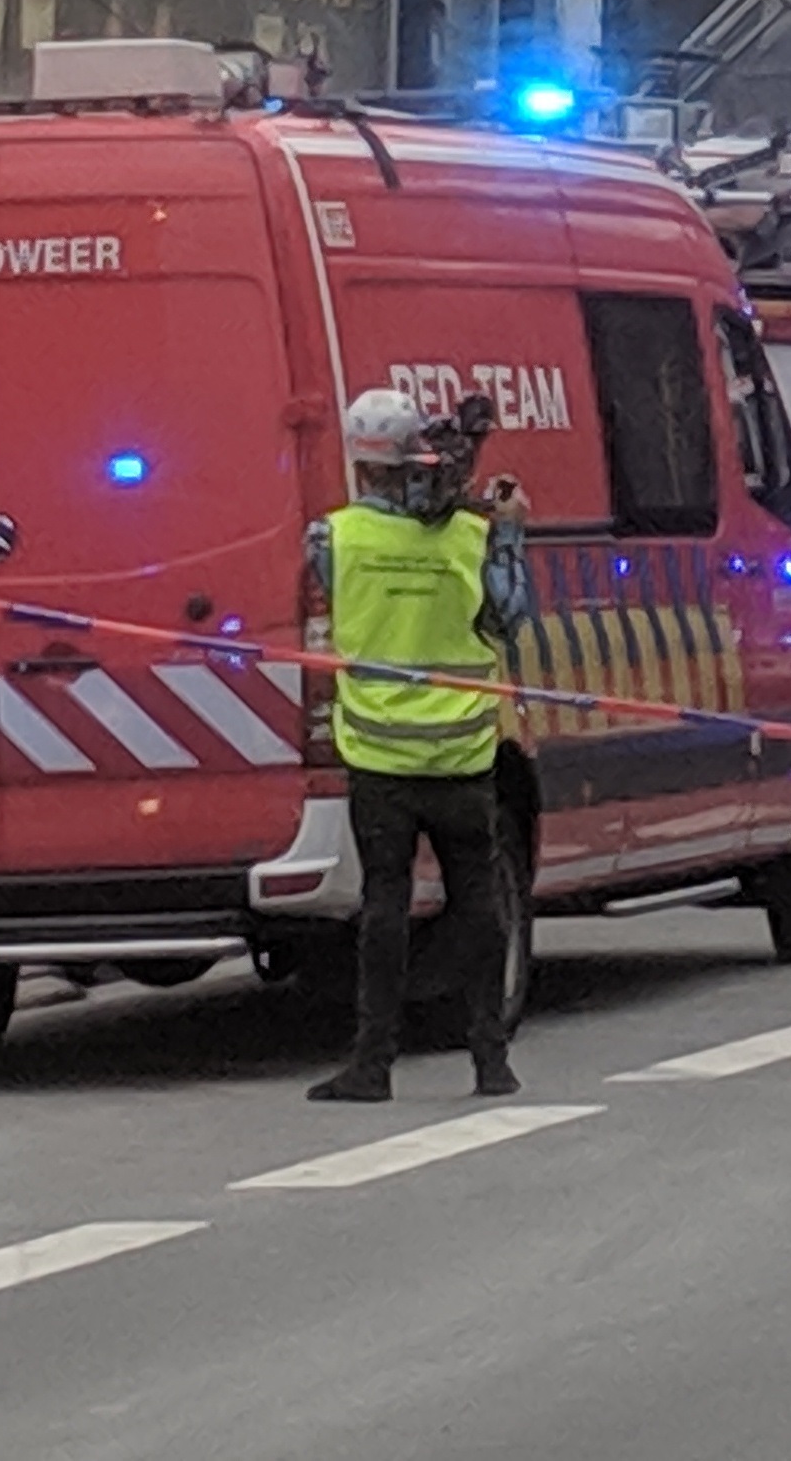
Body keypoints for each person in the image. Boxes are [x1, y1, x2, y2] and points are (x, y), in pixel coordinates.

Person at [308, 389, 535, 1104]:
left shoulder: (333, 538)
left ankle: (372, 1065)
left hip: (378, 754)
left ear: (358, 463)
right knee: (479, 904)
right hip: (463, 755)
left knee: (385, 907)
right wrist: (508, 534)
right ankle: (490, 1061)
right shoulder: (471, 535)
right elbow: (510, 619)